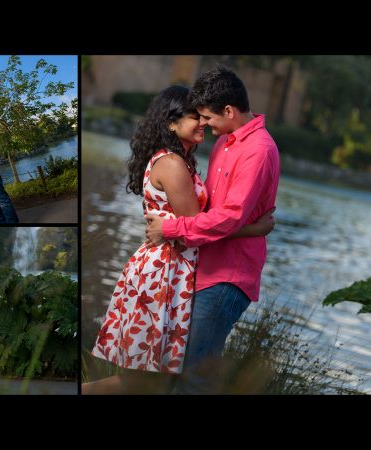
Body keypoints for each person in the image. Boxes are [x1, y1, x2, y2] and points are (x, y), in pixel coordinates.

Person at [83, 85, 274, 394]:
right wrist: (254, 228)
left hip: (171, 273)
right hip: (163, 274)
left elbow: (193, 225)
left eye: (203, 116)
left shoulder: (181, 161)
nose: (202, 123)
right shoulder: (172, 164)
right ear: (171, 123)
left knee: (150, 382)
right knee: (141, 382)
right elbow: (195, 229)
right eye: (193, 116)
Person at [145, 66, 281, 394]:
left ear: (229, 111)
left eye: (207, 117)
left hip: (227, 278)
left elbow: (228, 218)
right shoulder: (224, 142)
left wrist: (172, 228)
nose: (203, 124)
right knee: (177, 372)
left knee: (195, 378)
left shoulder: (258, 151)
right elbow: (210, 211)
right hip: (202, 270)